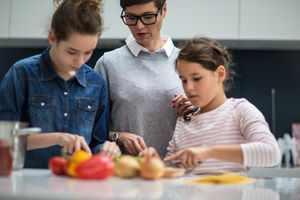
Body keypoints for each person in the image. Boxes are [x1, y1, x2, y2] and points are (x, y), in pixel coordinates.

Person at [0, 0, 120, 168]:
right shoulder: (22, 74)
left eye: (88, 52)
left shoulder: (96, 84)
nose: (80, 61)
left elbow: (96, 144)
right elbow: (4, 140)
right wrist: (57, 138)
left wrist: (109, 148)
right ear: (52, 37)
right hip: (27, 183)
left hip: (76, 185)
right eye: (72, 51)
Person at [141, 37, 281, 174]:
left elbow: (271, 153)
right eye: (184, 80)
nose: (188, 87)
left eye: (197, 78)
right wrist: (156, 161)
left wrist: (208, 152)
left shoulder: (239, 110)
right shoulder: (183, 122)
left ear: (220, 74)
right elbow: (170, 168)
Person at [94, 0, 190, 157]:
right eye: (131, 18)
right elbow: (90, 128)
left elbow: (211, 120)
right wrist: (118, 137)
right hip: (125, 172)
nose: (139, 26)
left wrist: (195, 110)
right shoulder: (108, 63)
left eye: (147, 17)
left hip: (176, 171)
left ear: (163, 10)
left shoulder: (188, 62)